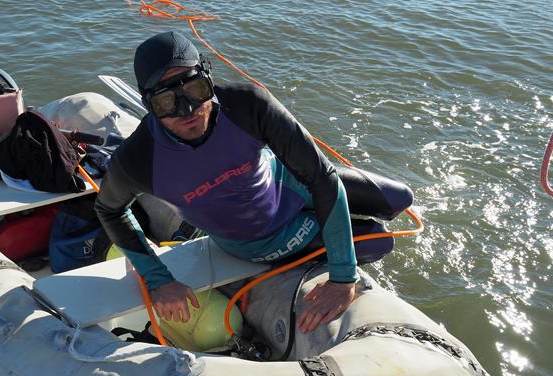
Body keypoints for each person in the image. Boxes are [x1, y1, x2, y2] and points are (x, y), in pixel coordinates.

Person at [94, 31, 412, 333]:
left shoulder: (247, 104)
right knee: (380, 241)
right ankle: (320, 238)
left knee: (400, 198)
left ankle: (329, 234)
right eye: (167, 101)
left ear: (208, 76)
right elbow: (109, 209)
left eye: (195, 90)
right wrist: (157, 278)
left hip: (287, 183)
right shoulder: (139, 158)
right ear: (148, 103)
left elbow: (321, 177)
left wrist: (343, 278)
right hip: (261, 237)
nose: (188, 109)